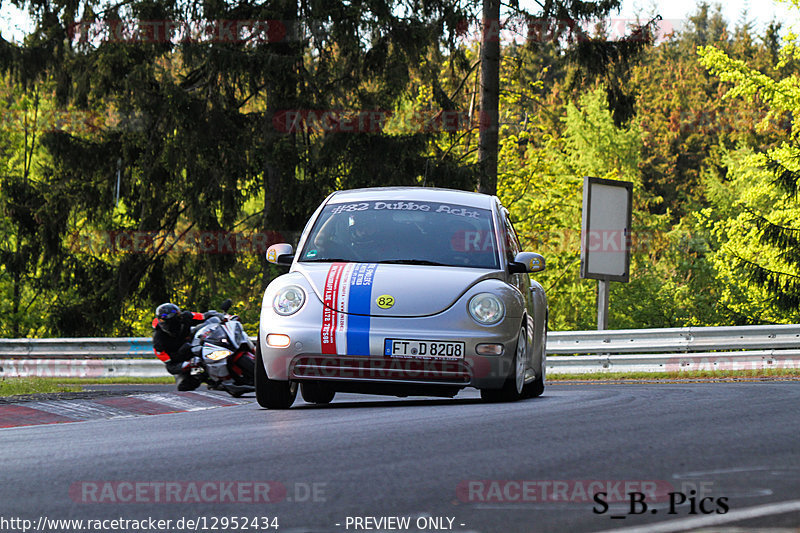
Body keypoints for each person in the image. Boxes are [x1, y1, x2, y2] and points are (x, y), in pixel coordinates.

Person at [152, 302, 210, 391]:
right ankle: (200, 377)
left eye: (179, 316)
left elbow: (205, 316)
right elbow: (166, 360)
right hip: (179, 358)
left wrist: (224, 317)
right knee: (183, 386)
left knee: (200, 329)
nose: (179, 319)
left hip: (195, 346)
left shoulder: (186, 316)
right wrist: (188, 362)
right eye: (175, 319)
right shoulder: (159, 338)